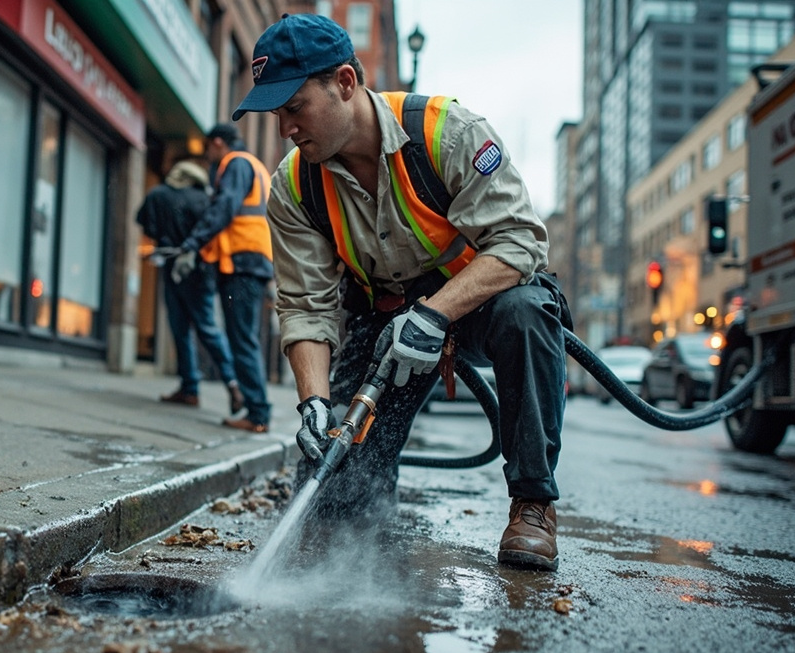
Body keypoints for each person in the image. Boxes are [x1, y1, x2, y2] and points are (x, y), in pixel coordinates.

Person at [232, 14, 571, 571]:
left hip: (480, 301)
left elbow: (519, 240)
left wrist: (435, 314)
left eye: (294, 107)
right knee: (334, 501)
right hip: (384, 320)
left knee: (530, 311)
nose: (285, 128)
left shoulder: (448, 133)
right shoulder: (293, 187)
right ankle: (365, 543)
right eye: (276, 115)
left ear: (344, 82)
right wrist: (314, 401)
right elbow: (306, 305)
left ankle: (532, 504)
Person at [172, 124, 274, 433]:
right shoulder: (254, 166)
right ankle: (255, 409)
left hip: (242, 262)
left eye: (209, 148)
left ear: (218, 143)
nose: (209, 155)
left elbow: (224, 207)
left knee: (242, 339)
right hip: (250, 261)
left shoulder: (236, 163)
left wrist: (192, 243)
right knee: (244, 338)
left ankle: (257, 413)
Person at [136, 159, 245, 413]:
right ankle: (232, 382)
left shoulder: (158, 194)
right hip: (201, 270)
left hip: (172, 267)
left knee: (179, 328)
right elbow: (214, 229)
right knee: (208, 327)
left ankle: (189, 388)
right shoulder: (203, 199)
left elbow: (146, 224)